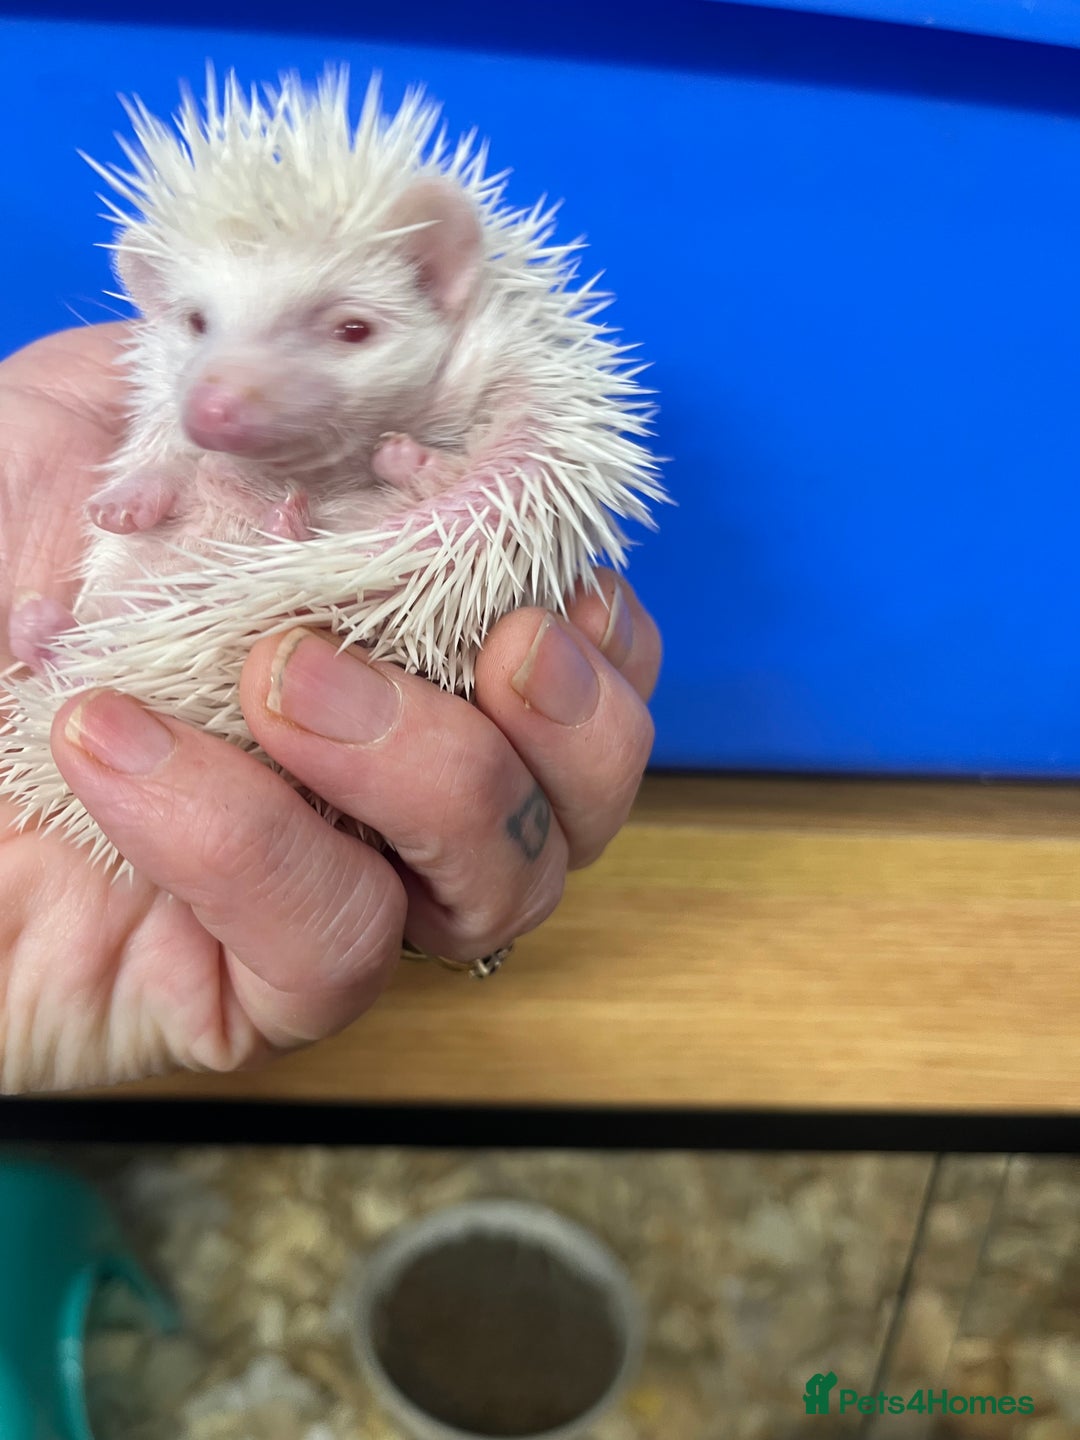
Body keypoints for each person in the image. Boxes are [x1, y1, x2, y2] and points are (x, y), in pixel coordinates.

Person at [0, 323, 662, 1093]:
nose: (226, 395)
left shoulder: (469, 394)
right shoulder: (177, 395)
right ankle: (69, 651)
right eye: (202, 325)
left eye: (348, 329)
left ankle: (76, 649)